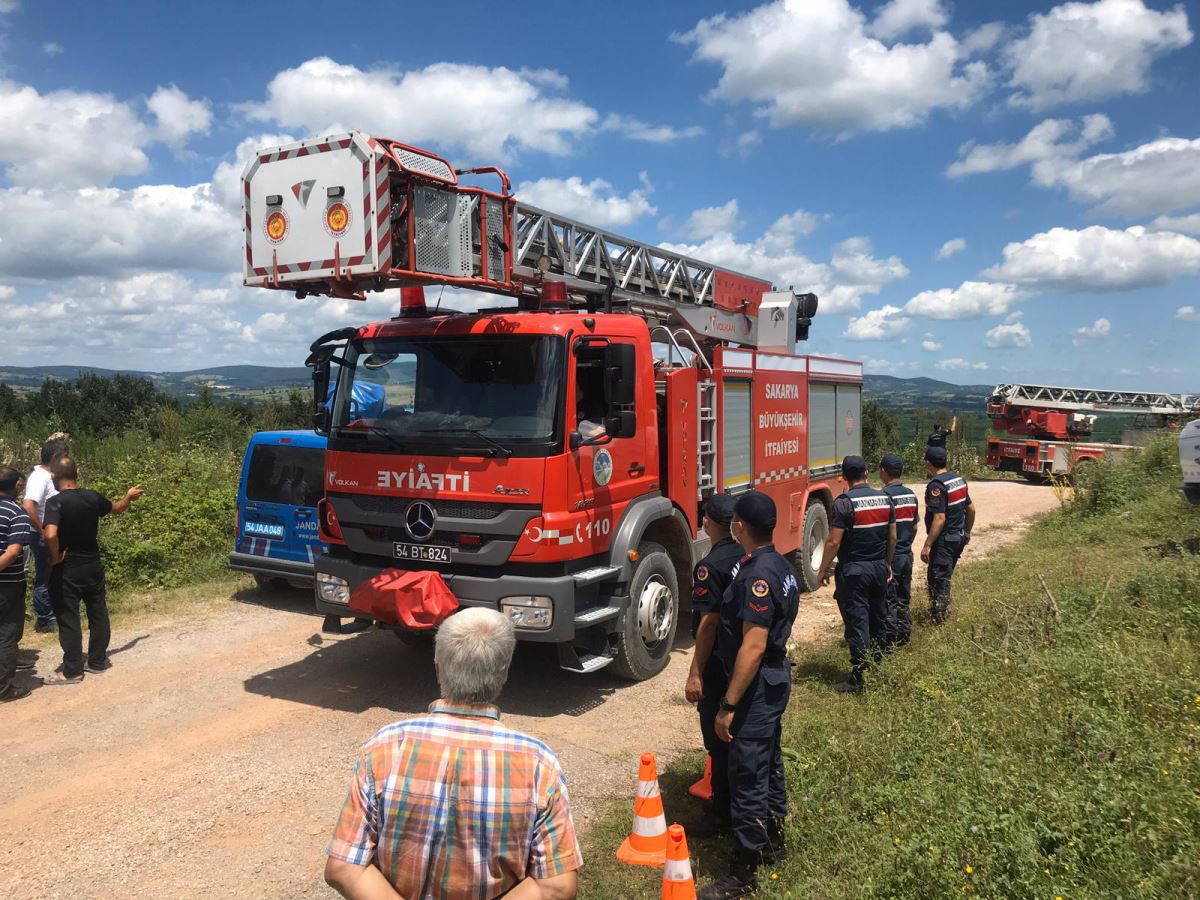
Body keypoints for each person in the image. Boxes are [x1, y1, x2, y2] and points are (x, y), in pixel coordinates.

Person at [325, 607, 582, 900]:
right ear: (504, 673)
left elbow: (344, 868)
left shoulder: (385, 747)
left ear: (438, 668)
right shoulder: (538, 764)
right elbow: (555, 887)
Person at [701, 491, 799, 900]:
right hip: (772, 681)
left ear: (739, 526)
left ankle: (743, 873)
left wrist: (728, 705)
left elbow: (753, 646)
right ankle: (772, 842)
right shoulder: (779, 564)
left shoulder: (757, 576)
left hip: (756, 688)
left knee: (747, 775)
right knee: (768, 762)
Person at [42, 457, 143, 685]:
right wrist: (128, 496)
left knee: (69, 617)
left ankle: (72, 671)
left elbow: (50, 534)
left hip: (67, 567)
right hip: (93, 564)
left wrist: (55, 557)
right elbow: (117, 508)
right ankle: (97, 661)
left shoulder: (55, 502)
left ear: (55, 477)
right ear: (76, 473)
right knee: (98, 611)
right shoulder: (92, 497)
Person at [683, 492, 741, 836]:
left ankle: (720, 813)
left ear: (707, 523)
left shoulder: (710, 566)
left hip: (717, 663)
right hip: (739, 658)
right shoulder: (746, 555)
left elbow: (708, 623)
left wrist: (695, 672)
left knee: (717, 740)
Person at [817, 456, 896, 692]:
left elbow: (833, 542)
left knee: (857, 621)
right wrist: (887, 563)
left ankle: (860, 678)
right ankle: (878, 668)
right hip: (879, 567)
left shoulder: (843, 503)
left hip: (854, 571)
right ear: (866, 472)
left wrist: (822, 569)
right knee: (878, 617)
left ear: (844, 476)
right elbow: (892, 537)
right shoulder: (885, 499)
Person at [921, 446, 975, 625]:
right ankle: (940, 615)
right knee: (943, 576)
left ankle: (940, 620)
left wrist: (927, 544)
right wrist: (967, 532)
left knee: (939, 579)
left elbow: (940, 518)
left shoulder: (936, 486)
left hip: (944, 541)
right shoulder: (959, 480)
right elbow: (971, 509)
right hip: (958, 537)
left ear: (929, 463)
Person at [21, 435, 70, 632]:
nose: (67, 461)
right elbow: (28, 505)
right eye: (65, 456)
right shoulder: (39, 478)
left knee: (55, 574)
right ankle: (45, 619)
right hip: (44, 537)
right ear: (55, 456)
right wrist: (42, 530)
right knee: (45, 576)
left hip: (52, 535)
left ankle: (55, 613)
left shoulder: (49, 476)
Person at [1, 467, 36, 702]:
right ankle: (3, 688)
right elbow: (13, 551)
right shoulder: (16, 512)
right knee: (6, 633)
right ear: (16, 486)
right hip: (7, 585)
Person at [879, 454, 918, 648]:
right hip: (906, 555)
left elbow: (885, 533)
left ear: (883, 471)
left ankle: (889, 642)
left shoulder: (884, 496)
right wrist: (906, 546)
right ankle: (904, 636)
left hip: (892, 558)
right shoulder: (911, 494)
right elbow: (915, 527)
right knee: (904, 597)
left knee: (889, 600)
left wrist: (887, 560)